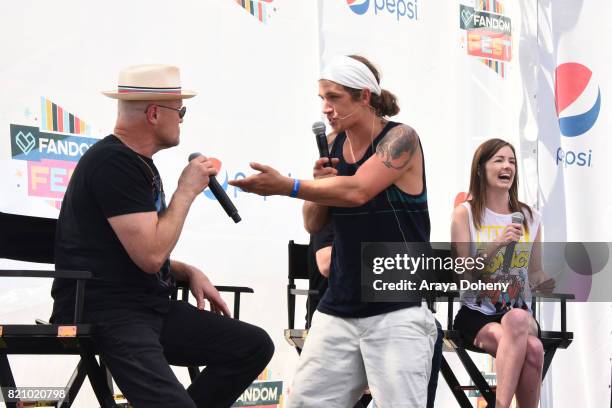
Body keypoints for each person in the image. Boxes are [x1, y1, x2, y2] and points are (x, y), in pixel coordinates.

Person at [49, 64, 274, 408]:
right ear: (154, 113)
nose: (182, 119)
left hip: (148, 307)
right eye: (179, 110)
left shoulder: (136, 163)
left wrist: (185, 270)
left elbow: (124, 250)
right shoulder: (113, 162)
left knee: (253, 345)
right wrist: (186, 190)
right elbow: (150, 256)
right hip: (110, 312)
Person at [230, 55, 437, 407]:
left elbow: (357, 191)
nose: (326, 108)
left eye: (334, 97)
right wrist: (321, 183)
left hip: (395, 305)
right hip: (338, 305)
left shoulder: (401, 137)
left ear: (365, 97)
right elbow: (313, 223)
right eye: (322, 98)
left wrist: (287, 185)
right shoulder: (334, 143)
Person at [450, 138, 555, 408]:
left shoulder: (530, 217)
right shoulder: (465, 215)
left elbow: (535, 272)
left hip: (519, 314)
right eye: (499, 160)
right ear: (480, 168)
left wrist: (544, 281)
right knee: (532, 348)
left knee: (518, 318)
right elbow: (463, 274)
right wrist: (496, 245)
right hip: (477, 314)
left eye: (511, 161)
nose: (507, 165)